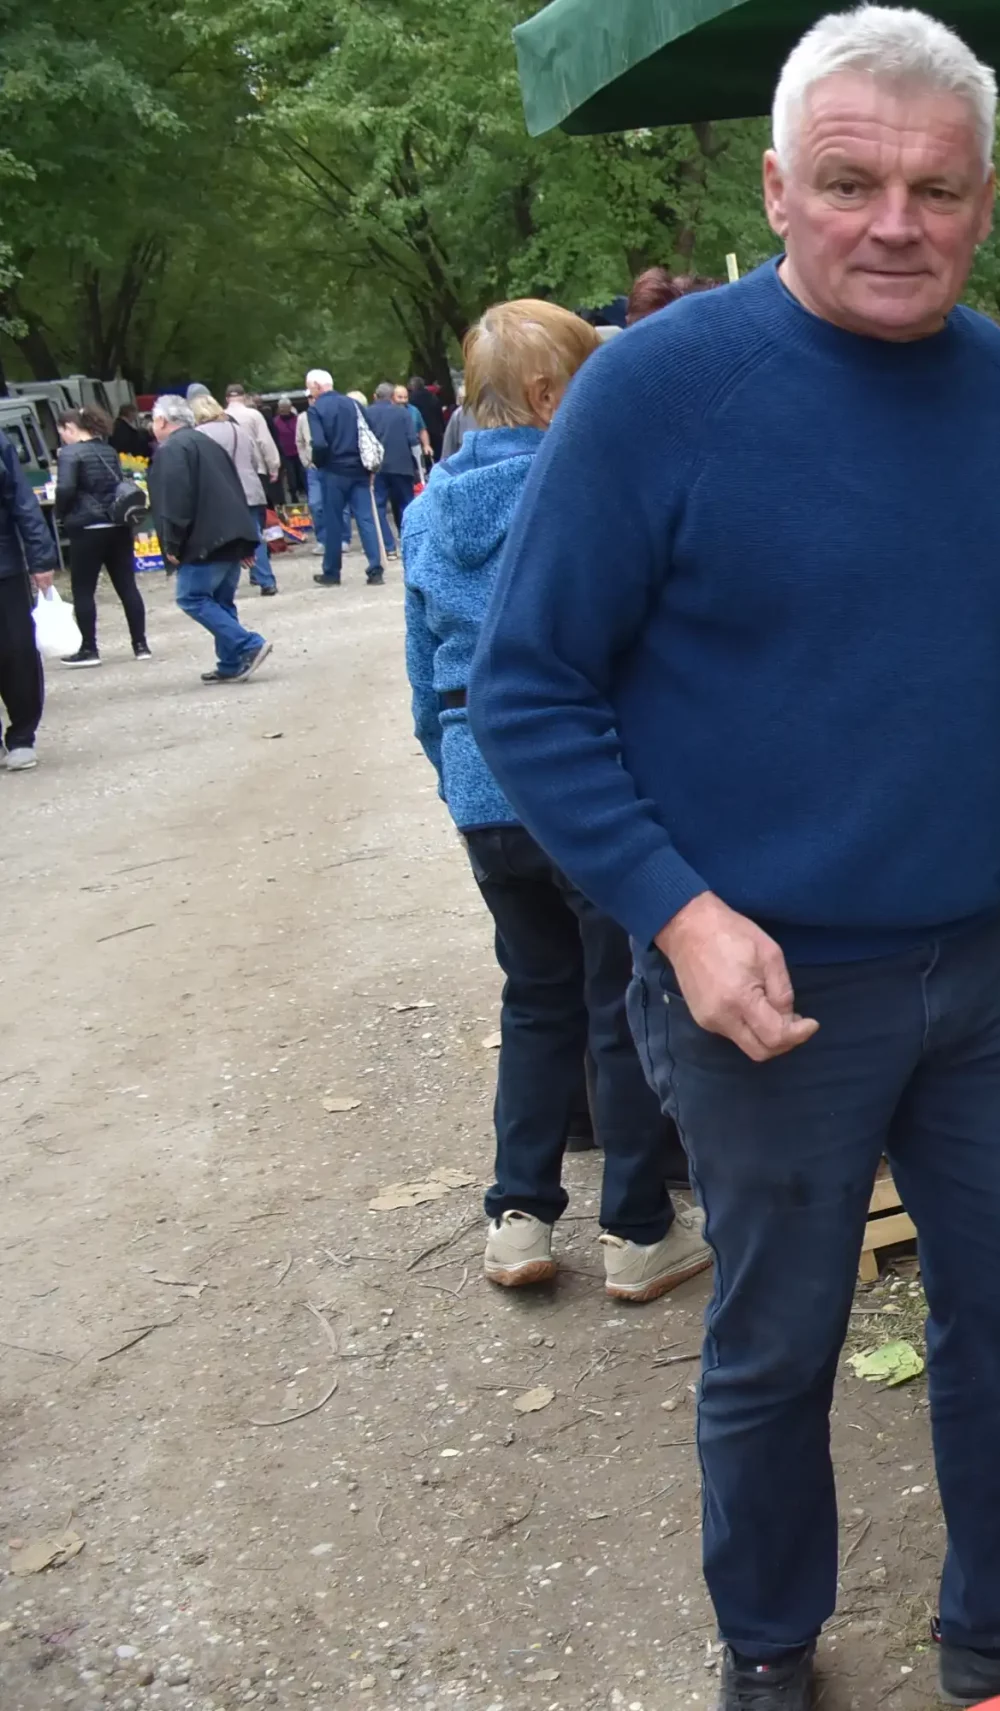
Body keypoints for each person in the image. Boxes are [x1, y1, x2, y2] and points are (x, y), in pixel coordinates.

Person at [468, 10, 1000, 1708]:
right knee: (778, 1347)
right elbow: (531, 688)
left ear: (986, 203)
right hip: (766, 981)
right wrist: (679, 912)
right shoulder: (657, 393)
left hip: (976, 967)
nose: (895, 222)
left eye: (936, 190)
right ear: (780, 189)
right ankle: (773, 1655)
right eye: (852, 182)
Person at [403, 299, 714, 1304]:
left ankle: (518, 1216)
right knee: (617, 1001)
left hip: (478, 789)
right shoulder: (576, 489)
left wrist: (454, 776)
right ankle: (637, 1228)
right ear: (548, 397)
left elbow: (422, 675)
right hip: (577, 783)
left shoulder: (424, 513)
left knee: (534, 1001)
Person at [147, 394, 271, 683]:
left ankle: (248, 644)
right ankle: (230, 663)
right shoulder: (209, 444)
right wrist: (245, 539)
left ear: (162, 420)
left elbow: (174, 501)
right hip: (230, 532)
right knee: (221, 600)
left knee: (191, 597)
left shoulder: (172, 450)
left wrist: (172, 543)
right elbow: (235, 489)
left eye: (153, 420)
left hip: (203, 539)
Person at [51, 407, 150, 666]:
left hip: (87, 527)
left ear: (70, 428)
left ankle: (89, 648)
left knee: (83, 589)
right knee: (127, 585)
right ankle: (140, 644)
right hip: (117, 524)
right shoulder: (108, 450)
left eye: (62, 433)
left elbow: (66, 487)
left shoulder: (70, 454)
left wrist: (60, 513)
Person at [0, 432, 56, 769]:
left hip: (4, 567)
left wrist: (40, 558)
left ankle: (21, 735)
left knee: (16, 651)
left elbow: (22, 500)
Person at [301, 368, 385, 586]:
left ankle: (332, 571)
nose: (310, 393)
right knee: (366, 518)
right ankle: (375, 568)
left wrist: (319, 462)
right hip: (359, 469)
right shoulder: (353, 404)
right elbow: (371, 432)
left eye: (310, 388)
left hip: (333, 471)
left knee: (334, 520)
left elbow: (318, 443)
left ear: (317, 386)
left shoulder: (316, 409)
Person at [193, 393, 278, 595]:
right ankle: (266, 579)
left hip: (223, 493)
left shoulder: (199, 434)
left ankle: (221, 584)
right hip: (250, 488)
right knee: (255, 535)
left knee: (223, 538)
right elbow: (253, 459)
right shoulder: (238, 430)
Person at [366, 382, 423, 552]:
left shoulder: (367, 413)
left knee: (379, 506)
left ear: (375, 396)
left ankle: (388, 546)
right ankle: (411, 541)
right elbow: (413, 440)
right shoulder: (402, 413)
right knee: (407, 504)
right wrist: (419, 466)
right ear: (392, 397)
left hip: (378, 468)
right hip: (402, 465)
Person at [273, 400, 306, 505]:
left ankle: (305, 491)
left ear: (290, 407)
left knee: (302, 473)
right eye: (281, 407)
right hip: (285, 453)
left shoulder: (297, 420)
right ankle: (293, 495)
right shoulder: (275, 422)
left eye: (285, 407)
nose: (283, 409)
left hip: (299, 451)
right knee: (291, 475)